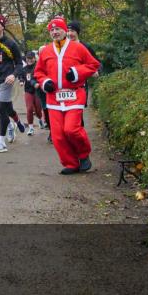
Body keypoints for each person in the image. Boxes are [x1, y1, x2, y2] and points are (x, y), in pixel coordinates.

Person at [34, 16, 101, 175]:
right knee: (58, 136)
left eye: (58, 29)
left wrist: (77, 73)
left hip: (74, 95)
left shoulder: (78, 48)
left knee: (71, 129)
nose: (55, 32)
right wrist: (45, 82)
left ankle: (84, 155)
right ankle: (71, 163)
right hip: (54, 98)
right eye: (52, 30)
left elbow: (93, 65)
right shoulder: (46, 51)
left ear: (65, 30)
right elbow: (39, 72)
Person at [0, 15, 24, 153]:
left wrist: (13, 75)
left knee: (1, 108)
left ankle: (1, 143)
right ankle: (11, 126)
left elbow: (20, 63)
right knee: (1, 109)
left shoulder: (11, 44)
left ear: (2, 27)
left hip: (5, 80)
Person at [67, 20, 102, 107]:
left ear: (77, 32)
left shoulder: (85, 47)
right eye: (68, 31)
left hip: (81, 84)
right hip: (64, 85)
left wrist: (97, 71)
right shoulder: (62, 46)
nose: (69, 33)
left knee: (78, 110)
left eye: (72, 31)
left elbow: (97, 63)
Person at [16, 49, 43, 136]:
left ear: (35, 59)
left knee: (38, 109)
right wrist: (21, 81)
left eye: (31, 58)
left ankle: (40, 119)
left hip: (37, 90)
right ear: (26, 59)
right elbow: (21, 76)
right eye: (28, 58)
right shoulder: (24, 69)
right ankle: (31, 127)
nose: (30, 60)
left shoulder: (38, 67)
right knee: (29, 109)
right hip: (28, 90)